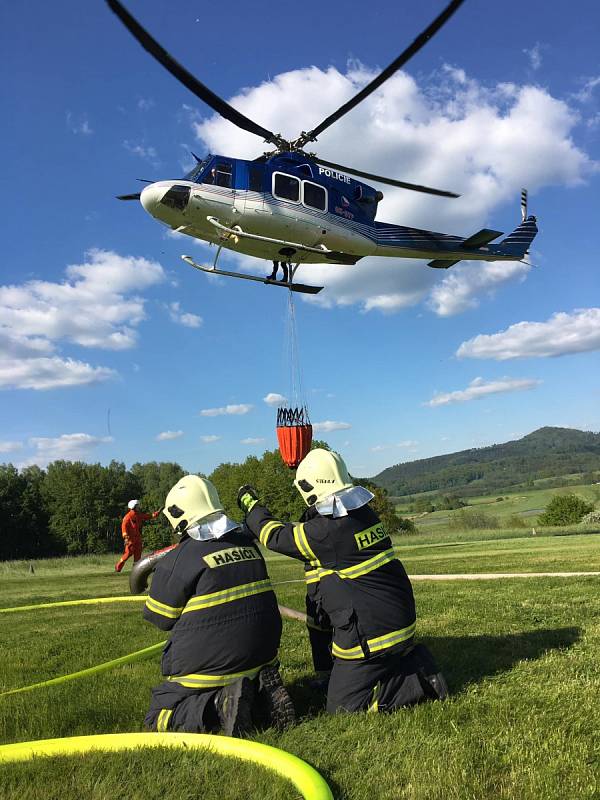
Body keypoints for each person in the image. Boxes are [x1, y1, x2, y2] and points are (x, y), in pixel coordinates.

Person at [238, 448, 448, 714]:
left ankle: (417, 681)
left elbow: (275, 536)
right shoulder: (360, 515)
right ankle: (364, 668)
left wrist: (252, 507)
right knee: (321, 595)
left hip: (375, 634)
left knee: (344, 707)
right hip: (394, 619)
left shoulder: (328, 532)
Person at [143, 475, 295, 736]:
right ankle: (259, 694)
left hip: (212, 666)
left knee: (160, 714)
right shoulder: (247, 545)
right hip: (264, 654)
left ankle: (217, 706)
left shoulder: (178, 559)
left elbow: (160, 618)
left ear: (179, 515)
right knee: (243, 684)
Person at [115, 499, 160, 573]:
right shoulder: (127, 517)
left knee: (138, 556)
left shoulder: (138, 515)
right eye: (138, 506)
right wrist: (126, 537)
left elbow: (146, 516)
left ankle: (135, 571)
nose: (139, 507)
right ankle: (118, 567)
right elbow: (124, 527)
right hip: (130, 540)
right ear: (134, 507)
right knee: (127, 554)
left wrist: (154, 515)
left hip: (138, 538)